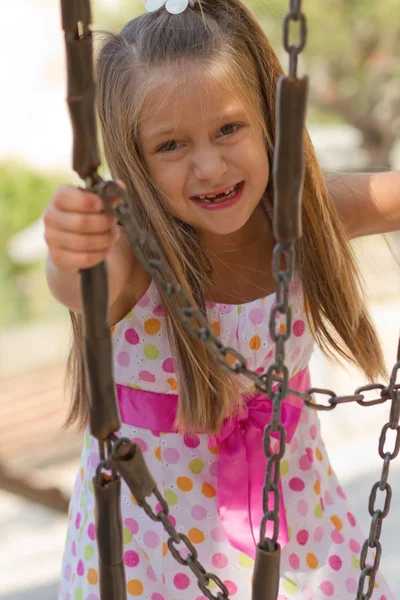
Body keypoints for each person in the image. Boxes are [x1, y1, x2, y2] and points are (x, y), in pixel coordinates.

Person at [44, 1, 400, 598]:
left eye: (228, 129)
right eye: (171, 146)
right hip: (151, 549)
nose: (209, 167)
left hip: (297, 524)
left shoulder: (305, 216)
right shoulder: (133, 255)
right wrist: (69, 245)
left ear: (269, 119)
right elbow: (79, 281)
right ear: (134, 158)